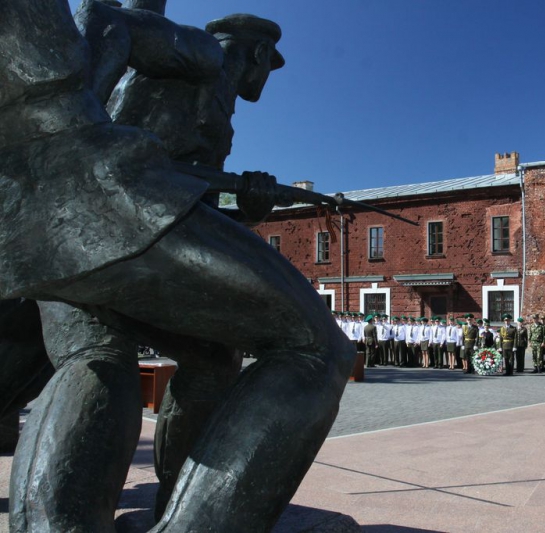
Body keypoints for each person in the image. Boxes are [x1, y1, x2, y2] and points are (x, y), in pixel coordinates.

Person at [3, 2, 354, 532]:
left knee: (190, 356)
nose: (264, 78)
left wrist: (247, 200)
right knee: (315, 348)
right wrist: (78, 128)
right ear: (258, 54)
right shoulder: (207, 57)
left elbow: (183, 189)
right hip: (105, 204)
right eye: (268, 65)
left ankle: (161, 499)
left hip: (78, 218)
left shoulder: (209, 96)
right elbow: (108, 21)